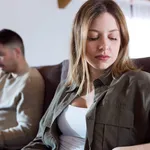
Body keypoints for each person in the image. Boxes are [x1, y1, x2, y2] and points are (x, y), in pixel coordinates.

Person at [22, 0, 150, 150]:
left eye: (113, 37)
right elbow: (41, 140)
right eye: (93, 37)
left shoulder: (141, 84)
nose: (104, 46)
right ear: (78, 41)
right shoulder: (65, 87)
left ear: (122, 41)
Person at [0, 29, 45, 149]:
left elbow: (27, 132)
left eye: (1, 54)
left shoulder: (30, 81)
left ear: (17, 52)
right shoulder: (4, 75)